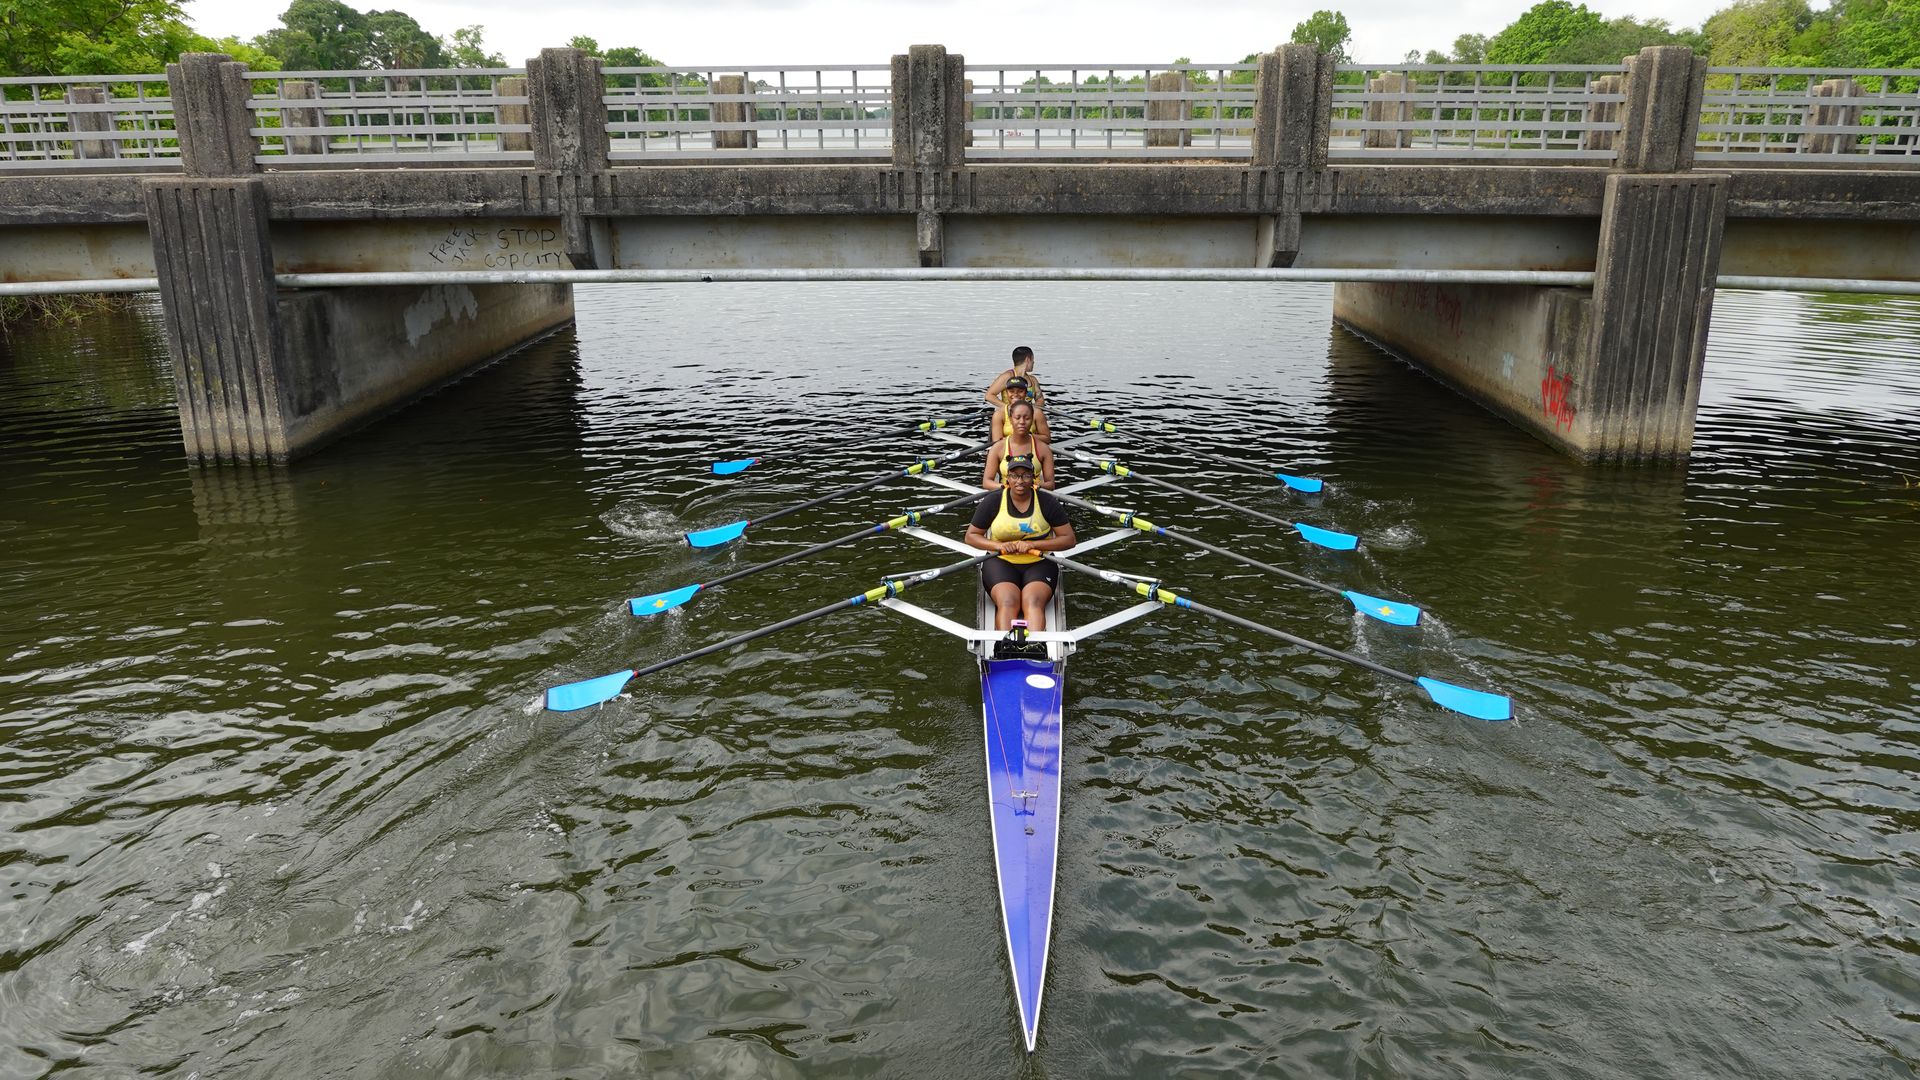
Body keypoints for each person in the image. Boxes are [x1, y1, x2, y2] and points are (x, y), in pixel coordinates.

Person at [965, 454, 1076, 633]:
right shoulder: (993, 500)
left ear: (1033, 477)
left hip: (1040, 562)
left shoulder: (1047, 502)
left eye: (1025, 475)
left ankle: (1035, 646)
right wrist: (998, 546)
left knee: (1032, 602)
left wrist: (1035, 545)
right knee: (1009, 602)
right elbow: (971, 536)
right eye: (1015, 475)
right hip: (1000, 561)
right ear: (1007, 478)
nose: (1020, 481)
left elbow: (1069, 539)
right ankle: (1003, 647)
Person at [981, 400, 1056, 491]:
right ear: (1010, 419)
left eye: (1027, 418)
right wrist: (1007, 487)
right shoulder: (998, 448)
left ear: (1032, 420)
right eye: (1017, 418)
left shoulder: (1044, 449)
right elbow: (986, 482)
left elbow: (1051, 484)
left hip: (1034, 493)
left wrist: (1030, 486)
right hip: (1005, 493)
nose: (1022, 422)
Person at [989, 374, 1052, 442]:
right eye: (1011, 391)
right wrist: (1019, 437)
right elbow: (997, 441)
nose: (1015, 394)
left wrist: (1027, 436)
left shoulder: (1037, 413)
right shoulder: (999, 414)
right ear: (1007, 393)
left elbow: (1047, 438)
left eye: (1020, 391)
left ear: (1026, 393)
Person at [984, 345, 1044, 410]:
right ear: (1028, 359)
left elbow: (1040, 400)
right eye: (1032, 359)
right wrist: (1008, 408)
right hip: (1009, 416)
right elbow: (989, 396)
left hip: (1026, 417)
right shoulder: (1007, 376)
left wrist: (1031, 410)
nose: (1033, 362)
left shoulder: (1033, 380)